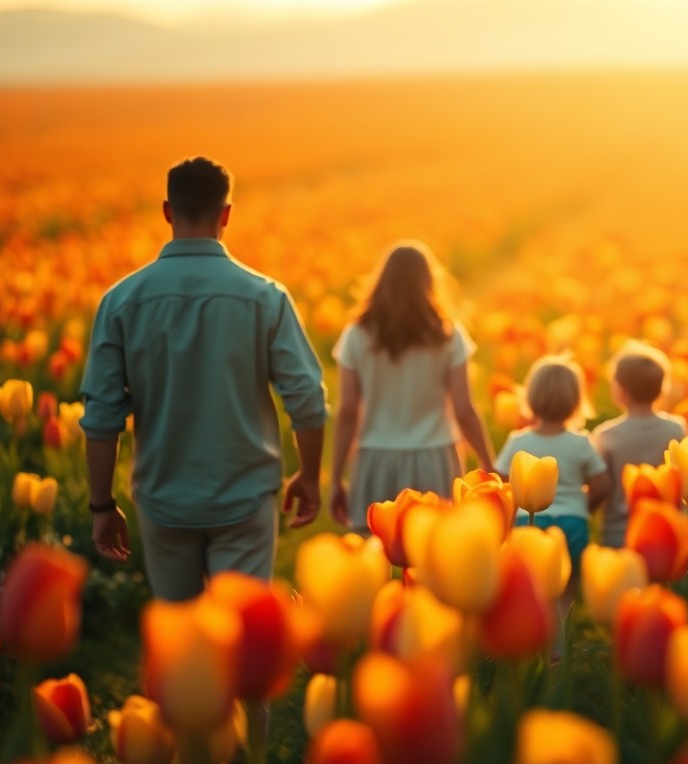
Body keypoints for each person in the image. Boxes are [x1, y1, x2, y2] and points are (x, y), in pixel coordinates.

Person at [79, 156, 327, 598]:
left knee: (183, 636)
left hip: (163, 498)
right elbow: (306, 397)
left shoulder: (121, 301)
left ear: (168, 212)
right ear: (226, 214)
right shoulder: (265, 298)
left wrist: (102, 505)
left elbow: (101, 416)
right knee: (242, 632)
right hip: (244, 496)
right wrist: (308, 475)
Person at [328, 242, 495, 531]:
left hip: (375, 459)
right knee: (433, 556)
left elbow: (347, 412)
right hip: (434, 458)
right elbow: (464, 411)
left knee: (377, 557)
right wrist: (488, 465)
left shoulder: (357, 334)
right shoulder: (447, 334)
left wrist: (335, 479)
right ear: (430, 283)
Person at [495, 354, 609, 570]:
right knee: (568, 581)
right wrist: (583, 506)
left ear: (530, 397)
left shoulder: (518, 441)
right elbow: (602, 485)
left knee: (533, 581)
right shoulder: (581, 442)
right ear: (576, 401)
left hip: (527, 524)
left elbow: (500, 483)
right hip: (573, 522)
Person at [590, 339, 688, 547]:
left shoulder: (606, 435)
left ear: (621, 391)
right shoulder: (677, 428)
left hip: (620, 533)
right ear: (662, 389)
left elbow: (599, 485)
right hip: (666, 531)